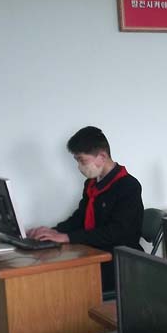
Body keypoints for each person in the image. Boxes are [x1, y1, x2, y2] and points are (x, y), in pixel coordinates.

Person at [28, 126, 144, 295]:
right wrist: (54, 231)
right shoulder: (91, 183)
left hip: (120, 261)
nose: (79, 167)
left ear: (102, 157)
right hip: (95, 252)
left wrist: (67, 237)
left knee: (63, 283)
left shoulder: (128, 186)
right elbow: (80, 218)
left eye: (82, 161)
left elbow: (116, 232)